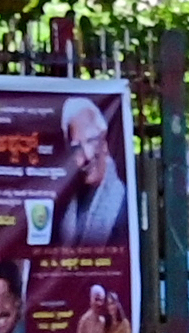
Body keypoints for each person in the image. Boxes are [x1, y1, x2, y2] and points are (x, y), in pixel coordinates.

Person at [48, 95, 135, 249]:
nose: (87, 155)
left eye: (91, 141)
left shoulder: (125, 206)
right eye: (76, 148)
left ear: (104, 144)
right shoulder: (64, 209)